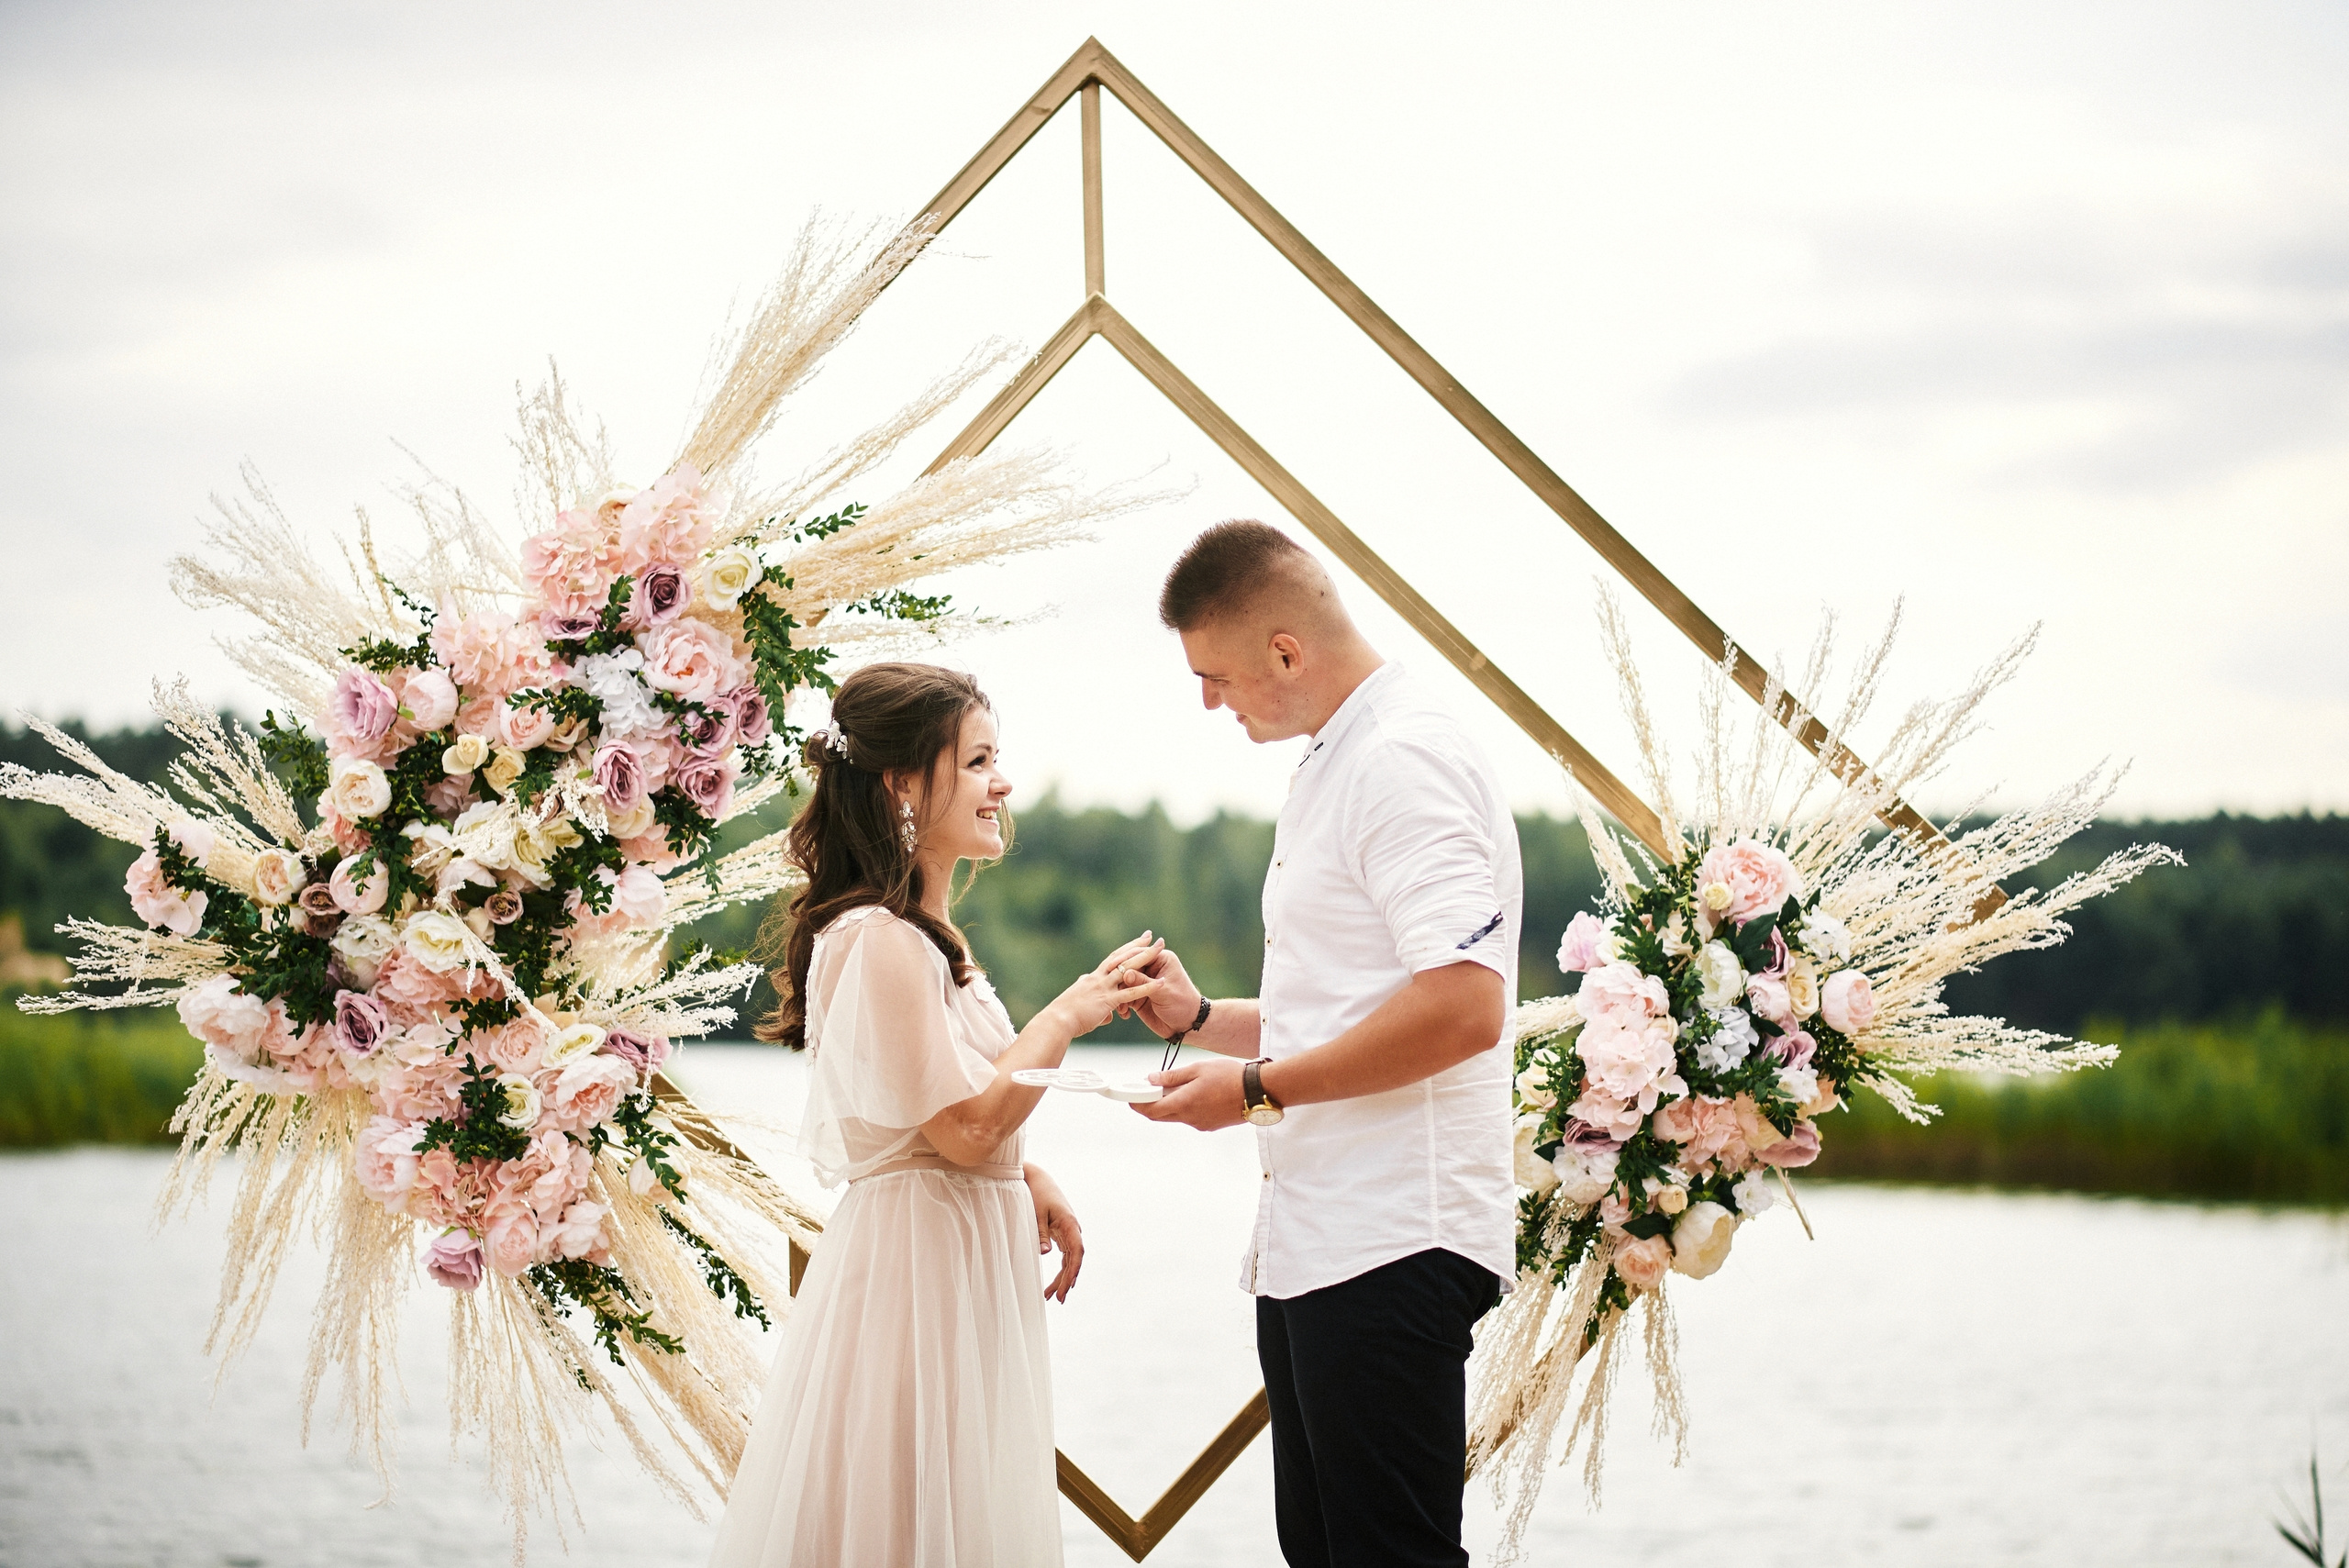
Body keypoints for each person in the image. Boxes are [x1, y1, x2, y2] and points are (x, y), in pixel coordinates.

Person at [1123, 521, 1522, 1568]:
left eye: (1215, 675)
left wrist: (1252, 1089)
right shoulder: (1339, 760)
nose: (1211, 701)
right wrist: (1203, 1019)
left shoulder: (1400, 760)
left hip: (1394, 1235)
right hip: (1325, 1236)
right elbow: (1354, 1001)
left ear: (1285, 651)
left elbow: (1462, 1007)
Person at [711, 662, 1166, 1568]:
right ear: (901, 783)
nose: (1003, 783)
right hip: (915, 1279)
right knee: (902, 1521)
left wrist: (1025, 1172)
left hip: (959, 1256)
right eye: (980, 760)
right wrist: (1068, 1012)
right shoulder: (877, 938)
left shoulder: (925, 938)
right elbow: (959, 1131)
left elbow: (943, 1108)